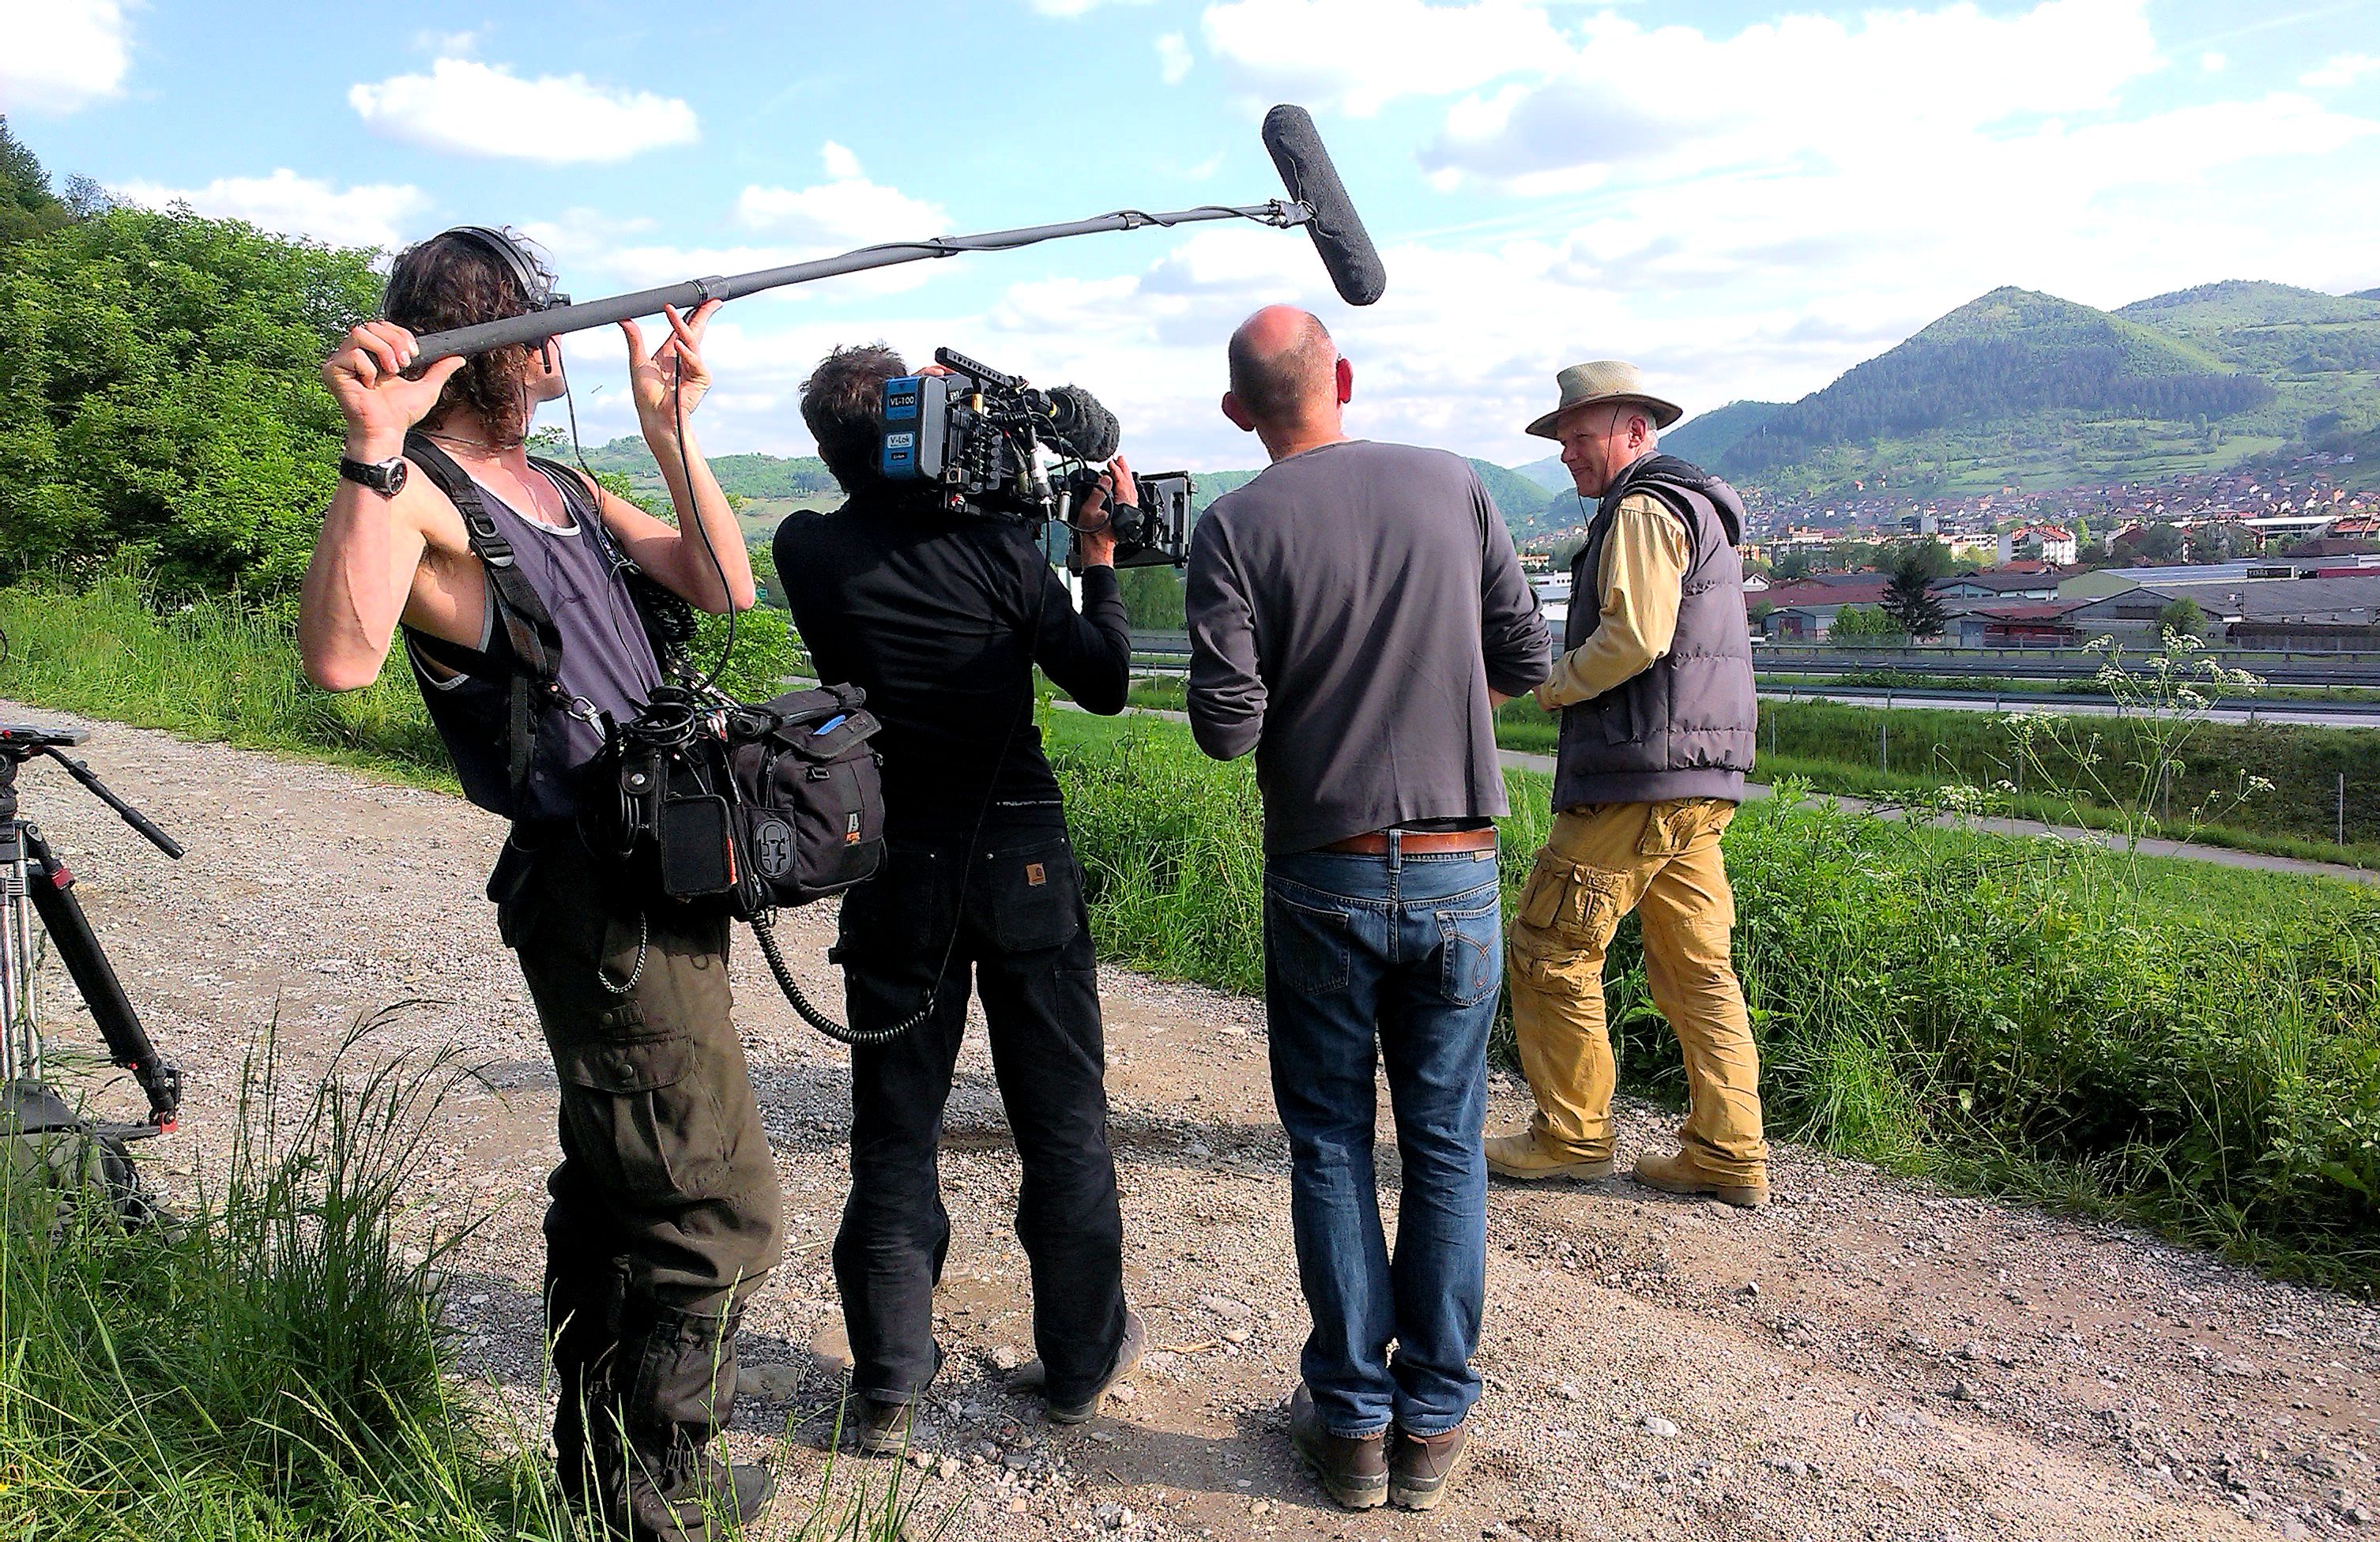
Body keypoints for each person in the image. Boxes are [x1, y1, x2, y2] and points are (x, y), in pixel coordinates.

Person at [298, 228, 773, 1541]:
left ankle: (602, 1478)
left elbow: (725, 585)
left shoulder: (559, 480)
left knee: (620, 1187)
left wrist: (669, 426)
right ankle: (660, 1504)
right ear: (483, 349)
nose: (561, 341)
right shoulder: (419, 491)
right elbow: (340, 658)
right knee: (715, 1212)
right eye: (537, 322)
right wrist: (372, 445)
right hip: (592, 891)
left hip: (659, 871)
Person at [1185, 305, 1553, 1514]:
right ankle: (1434, 1423)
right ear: (1339, 377)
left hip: (1324, 866)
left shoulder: (1233, 527)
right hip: (1457, 862)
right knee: (1444, 1141)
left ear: (1237, 412)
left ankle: (1351, 1423)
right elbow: (1526, 663)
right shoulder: (1454, 485)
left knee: (1332, 1141)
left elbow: (1226, 730)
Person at [768, 345, 1143, 1455]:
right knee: (1061, 1121)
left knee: (896, 1127)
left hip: (892, 859)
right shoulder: (999, 553)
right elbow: (1105, 680)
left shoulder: (808, 548)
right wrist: (1097, 560)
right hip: (1020, 849)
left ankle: (889, 1381)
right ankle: (1078, 1361)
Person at [1484, 361, 1769, 1206]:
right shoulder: (1696, 506)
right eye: (1563, 438)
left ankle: (1571, 1135)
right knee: (1695, 965)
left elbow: (1636, 636)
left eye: (1581, 434)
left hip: (1637, 773)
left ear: (1636, 431)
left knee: (1549, 944)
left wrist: (1552, 684)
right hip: (1698, 775)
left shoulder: (1643, 508)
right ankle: (1727, 1149)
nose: (1568, 451)